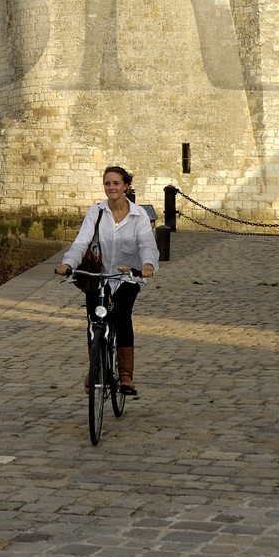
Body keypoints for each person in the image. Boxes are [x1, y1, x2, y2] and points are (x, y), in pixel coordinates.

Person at [55, 165, 158, 397]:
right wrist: (68, 263)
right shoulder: (97, 212)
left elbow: (147, 244)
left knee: (122, 314)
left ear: (126, 186)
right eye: (107, 183)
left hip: (127, 274)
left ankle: (125, 376)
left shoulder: (138, 214)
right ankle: (95, 368)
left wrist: (148, 264)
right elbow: (82, 241)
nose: (111, 187)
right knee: (94, 319)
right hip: (99, 274)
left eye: (116, 183)